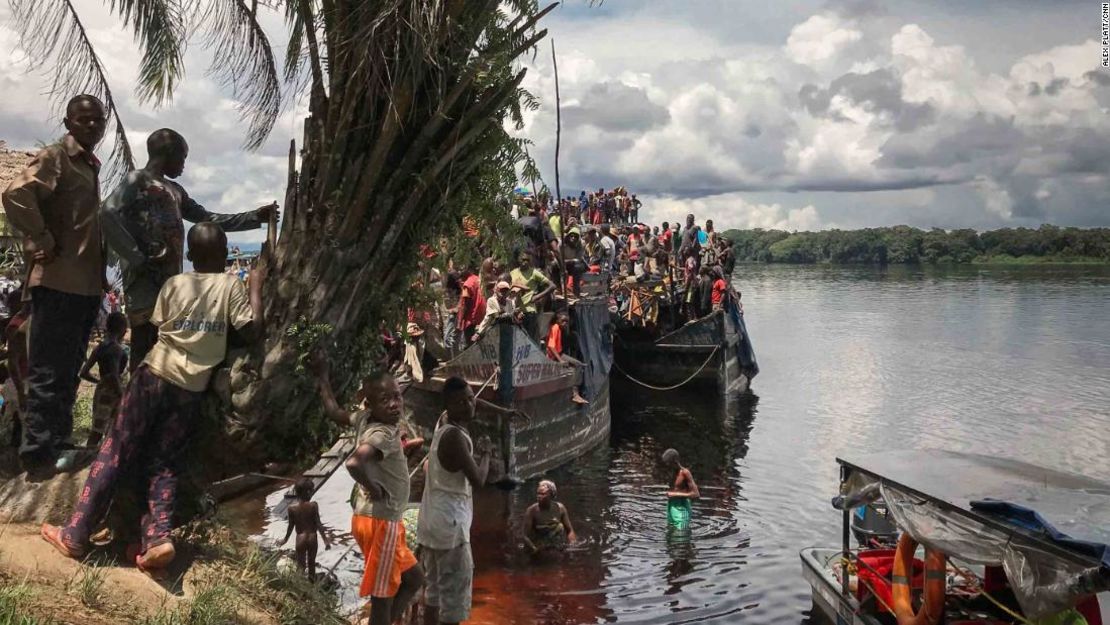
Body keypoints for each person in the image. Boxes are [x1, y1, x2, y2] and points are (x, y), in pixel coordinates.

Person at [41, 222, 266, 573]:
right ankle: (158, 538)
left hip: (155, 375)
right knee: (165, 463)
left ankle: (76, 532)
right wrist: (255, 285)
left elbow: (160, 327)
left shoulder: (175, 284)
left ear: (190, 256)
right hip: (191, 389)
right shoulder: (230, 285)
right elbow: (251, 332)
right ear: (225, 256)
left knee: (115, 451)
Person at [100, 128, 278, 373]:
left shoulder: (175, 191)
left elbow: (207, 218)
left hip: (170, 286)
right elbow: (107, 213)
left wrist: (252, 217)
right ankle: (136, 403)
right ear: (168, 154)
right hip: (144, 285)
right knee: (144, 348)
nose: (184, 165)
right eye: (182, 157)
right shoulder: (137, 181)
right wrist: (136, 257)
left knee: (165, 351)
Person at [2, 95, 110, 474]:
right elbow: (16, 193)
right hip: (57, 282)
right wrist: (41, 239)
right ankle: (37, 454)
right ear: (69, 122)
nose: (92, 126)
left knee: (69, 369)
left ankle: (59, 442)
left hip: (84, 286)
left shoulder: (89, 165)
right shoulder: (56, 157)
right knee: (48, 370)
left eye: (98, 120)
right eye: (84, 120)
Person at [310, 357, 424, 624]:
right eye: (386, 400)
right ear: (371, 404)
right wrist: (372, 486)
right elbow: (355, 462)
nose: (395, 404)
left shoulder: (363, 419)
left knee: (414, 579)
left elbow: (334, 412)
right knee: (382, 597)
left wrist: (323, 378)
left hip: (378, 521)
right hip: (380, 522)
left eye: (397, 396)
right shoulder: (382, 433)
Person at [419, 376, 491, 625]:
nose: (470, 405)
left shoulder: (444, 423)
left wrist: (504, 412)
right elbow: (479, 480)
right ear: (449, 405)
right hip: (452, 528)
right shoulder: (455, 439)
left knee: (434, 594)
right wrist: (487, 454)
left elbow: (477, 403)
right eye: (463, 402)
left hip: (431, 523)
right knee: (454, 605)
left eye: (471, 399)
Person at [78, 312, 128, 449]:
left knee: (97, 428)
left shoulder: (99, 347)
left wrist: (99, 382)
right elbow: (114, 375)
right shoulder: (117, 350)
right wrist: (122, 395)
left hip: (101, 391)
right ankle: (100, 459)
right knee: (111, 430)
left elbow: (84, 373)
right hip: (113, 393)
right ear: (123, 329)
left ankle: (87, 456)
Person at [282, 478, 332, 580]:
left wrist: (285, 539)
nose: (312, 492)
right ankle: (312, 585)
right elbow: (318, 524)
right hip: (312, 537)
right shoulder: (313, 505)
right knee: (311, 564)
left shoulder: (291, 508)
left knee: (301, 565)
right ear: (308, 492)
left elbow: (290, 526)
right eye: (312, 490)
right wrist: (326, 540)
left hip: (300, 538)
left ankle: (301, 586)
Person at [522, 480, 577, 554]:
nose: (539, 496)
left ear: (551, 495)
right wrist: (535, 549)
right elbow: (525, 536)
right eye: (538, 493)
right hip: (540, 546)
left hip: (556, 544)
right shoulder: (532, 511)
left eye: (543, 494)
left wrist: (572, 545)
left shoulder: (560, 508)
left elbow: (569, 530)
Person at [509, 251, 554, 339]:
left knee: (529, 338)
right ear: (518, 260)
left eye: (527, 260)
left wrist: (537, 296)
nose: (525, 262)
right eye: (523, 260)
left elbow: (552, 286)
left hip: (529, 310)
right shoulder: (513, 273)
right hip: (516, 311)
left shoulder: (534, 272)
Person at [545, 313, 589, 405]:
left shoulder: (559, 329)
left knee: (579, 365)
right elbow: (551, 346)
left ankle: (575, 392)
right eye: (563, 321)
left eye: (566, 322)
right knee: (577, 366)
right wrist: (560, 360)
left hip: (560, 353)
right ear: (557, 320)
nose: (565, 323)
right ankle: (575, 394)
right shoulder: (555, 328)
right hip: (555, 355)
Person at [661, 449, 699, 529]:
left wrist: (675, 494)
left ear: (675, 461)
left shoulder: (685, 473)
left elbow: (695, 494)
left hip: (682, 508)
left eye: (668, 464)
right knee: (671, 531)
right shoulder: (672, 473)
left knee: (681, 534)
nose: (667, 466)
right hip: (671, 506)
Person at [456, 268, 486, 345]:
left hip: (471, 319)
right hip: (481, 316)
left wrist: (459, 323)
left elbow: (464, 305)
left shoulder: (467, 285)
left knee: (469, 344)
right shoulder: (477, 279)